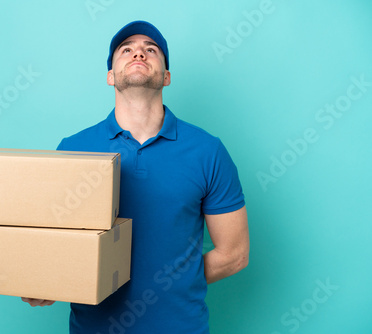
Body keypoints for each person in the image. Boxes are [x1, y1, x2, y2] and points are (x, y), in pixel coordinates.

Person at [22, 20, 249, 334]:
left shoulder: (207, 151)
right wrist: (45, 283)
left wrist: (174, 282)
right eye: (126, 50)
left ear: (166, 76)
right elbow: (52, 246)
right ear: (110, 76)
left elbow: (234, 253)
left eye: (151, 50)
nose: (139, 54)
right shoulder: (73, 149)